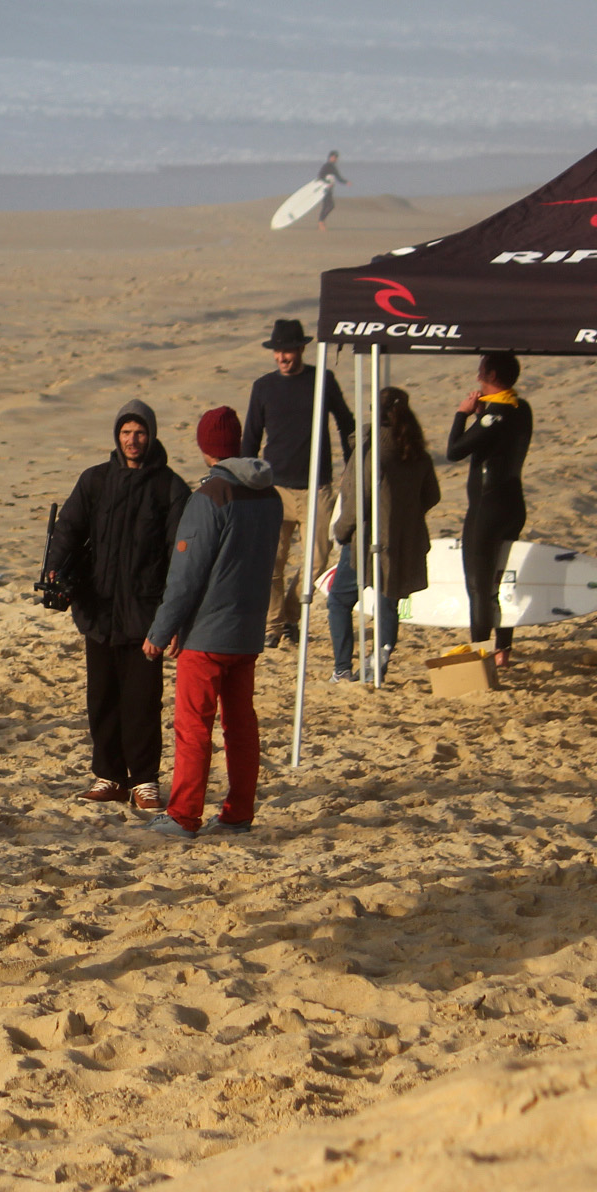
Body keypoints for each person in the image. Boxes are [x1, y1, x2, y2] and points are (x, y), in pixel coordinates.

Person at [143, 407, 281, 837]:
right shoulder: (269, 495)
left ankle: (185, 814)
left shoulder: (211, 496)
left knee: (193, 727)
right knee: (241, 725)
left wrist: (159, 631)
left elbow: (186, 575)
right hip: (248, 629)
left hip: (207, 632)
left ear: (206, 447)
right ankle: (239, 810)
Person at [44, 400, 188, 810]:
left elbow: (180, 555)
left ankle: (144, 781)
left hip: (145, 615)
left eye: (139, 432)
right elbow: (68, 529)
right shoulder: (95, 481)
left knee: (142, 702)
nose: (132, 440)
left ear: (151, 435)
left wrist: (172, 616)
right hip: (99, 612)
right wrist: (55, 569)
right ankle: (108, 776)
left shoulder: (170, 487)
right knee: (102, 699)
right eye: (126, 432)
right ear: (116, 436)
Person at [241, 319, 353, 650]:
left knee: (317, 561)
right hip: (272, 488)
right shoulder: (263, 387)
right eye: (278, 351)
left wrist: (352, 468)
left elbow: (346, 422)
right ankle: (274, 624)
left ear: (301, 349)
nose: (282, 357)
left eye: (287, 350)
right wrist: (247, 484)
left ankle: (290, 615)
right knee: (270, 562)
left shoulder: (322, 381)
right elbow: (251, 437)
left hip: (317, 486)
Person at [328, 386, 442, 682]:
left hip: (367, 539)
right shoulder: (416, 451)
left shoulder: (373, 449)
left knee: (339, 599)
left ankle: (342, 668)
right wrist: (404, 515)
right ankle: (377, 666)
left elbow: (358, 498)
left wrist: (342, 530)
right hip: (403, 538)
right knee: (387, 601)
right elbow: (432, 496)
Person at [448, 352, 533, 670]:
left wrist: (463, 414)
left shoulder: (494, 413)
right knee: (504, 582)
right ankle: (503, 652)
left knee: (479, 586)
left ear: (491, 374)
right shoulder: (520, 407)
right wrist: (482, 415)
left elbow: (454, 450)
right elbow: (498, 438)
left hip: (486, 510)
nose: (476, 377)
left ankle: (481, 655)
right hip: (513, 504)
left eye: (480, 371)